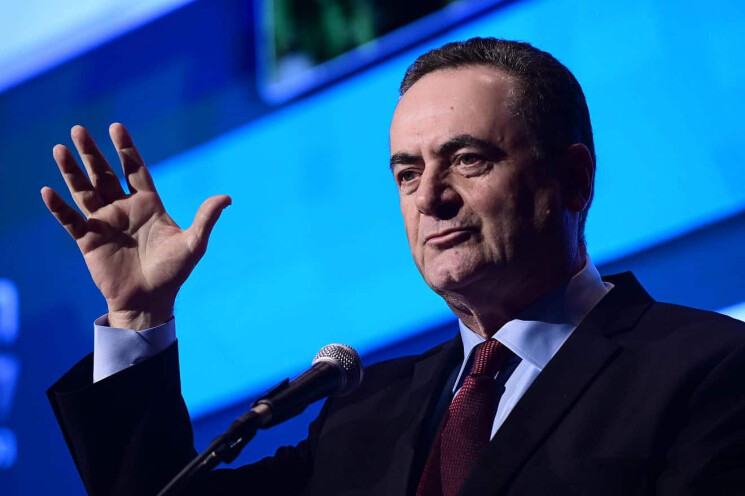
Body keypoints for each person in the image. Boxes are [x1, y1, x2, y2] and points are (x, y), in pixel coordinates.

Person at [44, 38, 745, 495]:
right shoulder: (362, 412)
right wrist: (139, 314)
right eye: (407, 174)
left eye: (467, 160)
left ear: (572, 179)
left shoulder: (707, 368)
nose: (431, 198)